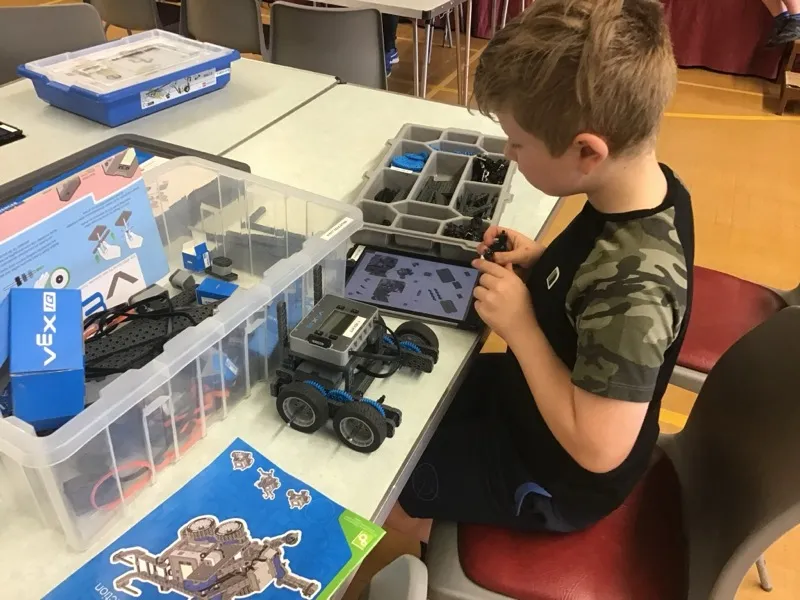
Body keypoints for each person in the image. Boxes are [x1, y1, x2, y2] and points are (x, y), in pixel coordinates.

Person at [388, 0, 695, 543]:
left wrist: (523, 326)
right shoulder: (645, 190)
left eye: (519, 142)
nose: (509, 151)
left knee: (387, 463)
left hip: (555, 480)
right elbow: (594, 273)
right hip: (533, 403)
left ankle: (415, 541)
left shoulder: (636, 287)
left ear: (586, 152)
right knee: (417, 388)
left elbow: (598, 450)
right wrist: (543, 263)